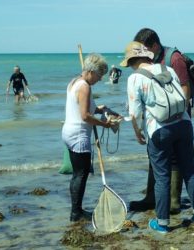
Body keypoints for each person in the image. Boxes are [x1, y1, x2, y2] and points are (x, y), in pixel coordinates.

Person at [120, 41, 194, 233]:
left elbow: (135, 113)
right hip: (184, 123)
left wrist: (138, 133)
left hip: (159, 129)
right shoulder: (165, 68)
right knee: (189, 169)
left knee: (162, 177)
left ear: (133, 61)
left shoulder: (134, 78)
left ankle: (162, 223)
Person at [129, 28, 192, 214]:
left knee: (174, 160)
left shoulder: (174, 59)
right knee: (155, 159)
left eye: (145, 49)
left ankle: (173, 201)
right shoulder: (154, 60)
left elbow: (185, 89)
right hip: (157, 121)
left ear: (154, 46)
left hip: (176, 119)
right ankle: (151, 198)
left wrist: (176, 117)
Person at [62, 53, 118, 222]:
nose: (100, 79)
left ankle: (76, 209)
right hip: (79, 134)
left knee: (77, 174)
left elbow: (85, 107)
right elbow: (85, 116)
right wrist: (105, 124)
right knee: (81, 174)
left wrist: (101, 109)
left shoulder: (74, 82)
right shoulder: (85, 86)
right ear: (92, 72)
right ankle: (76, 213)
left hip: (68, 132)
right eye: (100, 75)